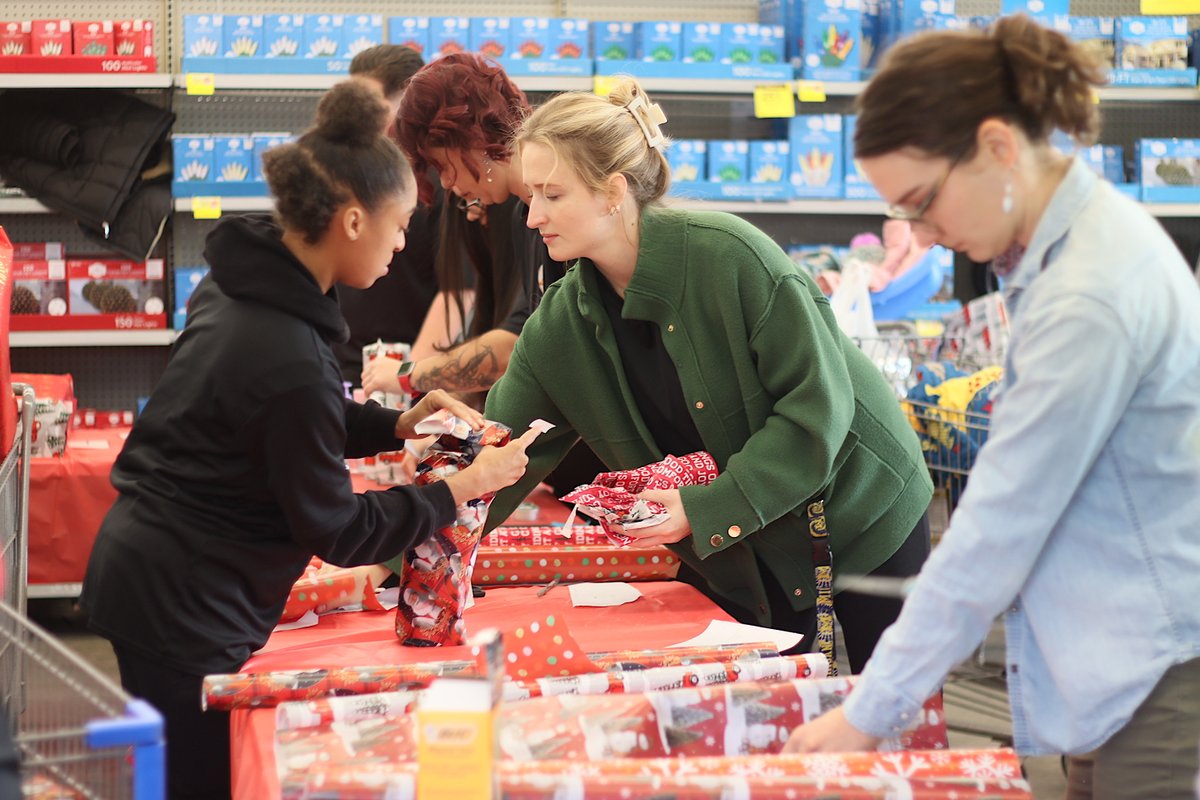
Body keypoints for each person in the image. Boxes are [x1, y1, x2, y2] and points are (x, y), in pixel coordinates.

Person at [79, 82, 536, 799]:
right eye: (401, 224)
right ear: (353, 220)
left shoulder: (257, 290)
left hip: (160, 573)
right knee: (194, 779)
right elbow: (335, 525)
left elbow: (295, 421)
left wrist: (397, 423)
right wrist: (459, 490)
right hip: (182, 600)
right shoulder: (281, 344)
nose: (404, 244)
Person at [781, 16, 1200, 800]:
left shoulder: (1089, 295)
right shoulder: (1068, 250)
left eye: (923, 203)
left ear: (998, 146)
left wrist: (870, 710)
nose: (926, 238)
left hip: (1151, 663)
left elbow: (998, 526)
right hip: (1118, 651)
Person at [483, 77, 935, 674]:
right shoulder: (561, 325)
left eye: (552, 195)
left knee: (895, 713)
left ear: (612, 192)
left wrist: (705, 507)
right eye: (529, 196)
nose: (532, 215)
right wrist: (399, 557)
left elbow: (817, 410)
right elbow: (495, 454)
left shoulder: (733, 259)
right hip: (745, 540)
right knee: (775, 717)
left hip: (859, 511)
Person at [332, 44, 458, 385]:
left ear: (408, 100)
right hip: (340, 370)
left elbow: (458, 292)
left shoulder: (443, 182)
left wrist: (408, 375)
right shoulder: (341, 172)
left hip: (405, 374)